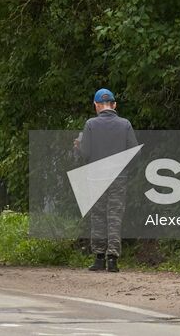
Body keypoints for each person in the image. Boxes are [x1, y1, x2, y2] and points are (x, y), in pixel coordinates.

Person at [75, 88, 137, 272]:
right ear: (114, 105)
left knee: (98, 216)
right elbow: (135, 151)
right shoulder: (125, 124)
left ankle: (99, 258)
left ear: (96, 105)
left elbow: (85, 154)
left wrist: (78, 147)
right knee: (114, 216)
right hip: (119, 177)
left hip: (96, 176)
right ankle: (113, 260)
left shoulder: (91, 125)